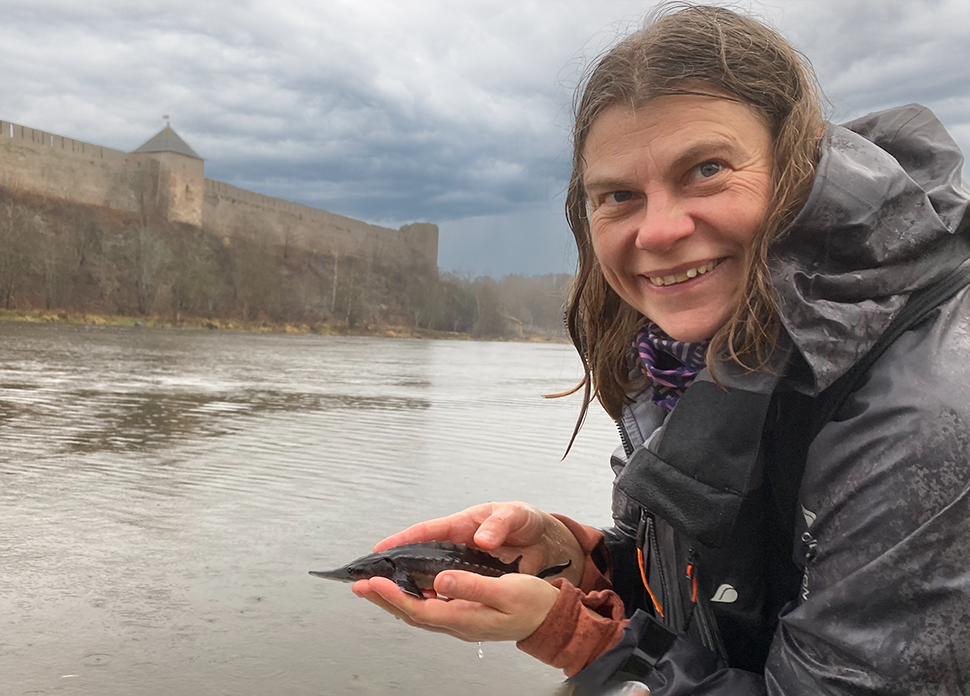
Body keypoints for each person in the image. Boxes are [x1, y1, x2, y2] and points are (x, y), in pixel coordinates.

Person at [353, 4, 970, 694]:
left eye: (706, 169)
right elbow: (732, 583)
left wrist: (576, 638)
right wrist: (578, 562)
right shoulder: (682, 357)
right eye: (618, 195)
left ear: (795, 169)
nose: (659, 231)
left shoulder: (925, 414)